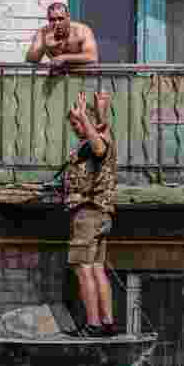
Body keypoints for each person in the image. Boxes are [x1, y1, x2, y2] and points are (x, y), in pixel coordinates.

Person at [64, 91, 117, 338]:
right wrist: (100, 111)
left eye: (77, 124)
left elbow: (98, 146)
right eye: (74, 124)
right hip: (101, 214)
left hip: (88, 212)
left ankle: (93, 324)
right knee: (96, 267)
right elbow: (101, 133)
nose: (76, 128)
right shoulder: (105, 137)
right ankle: (106, 323)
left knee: (82, 267)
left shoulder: (96, 143)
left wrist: (85, 116)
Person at [25, 2, 99, 73]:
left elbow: (92, 57)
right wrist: (44, 45)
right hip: (58, 77)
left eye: (60, 19)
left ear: (68, 17)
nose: (57, 23)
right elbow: (31, 60)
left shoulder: (81, 31)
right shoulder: (43, 33)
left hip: (83, 76)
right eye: (52, 20)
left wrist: (63, 58)